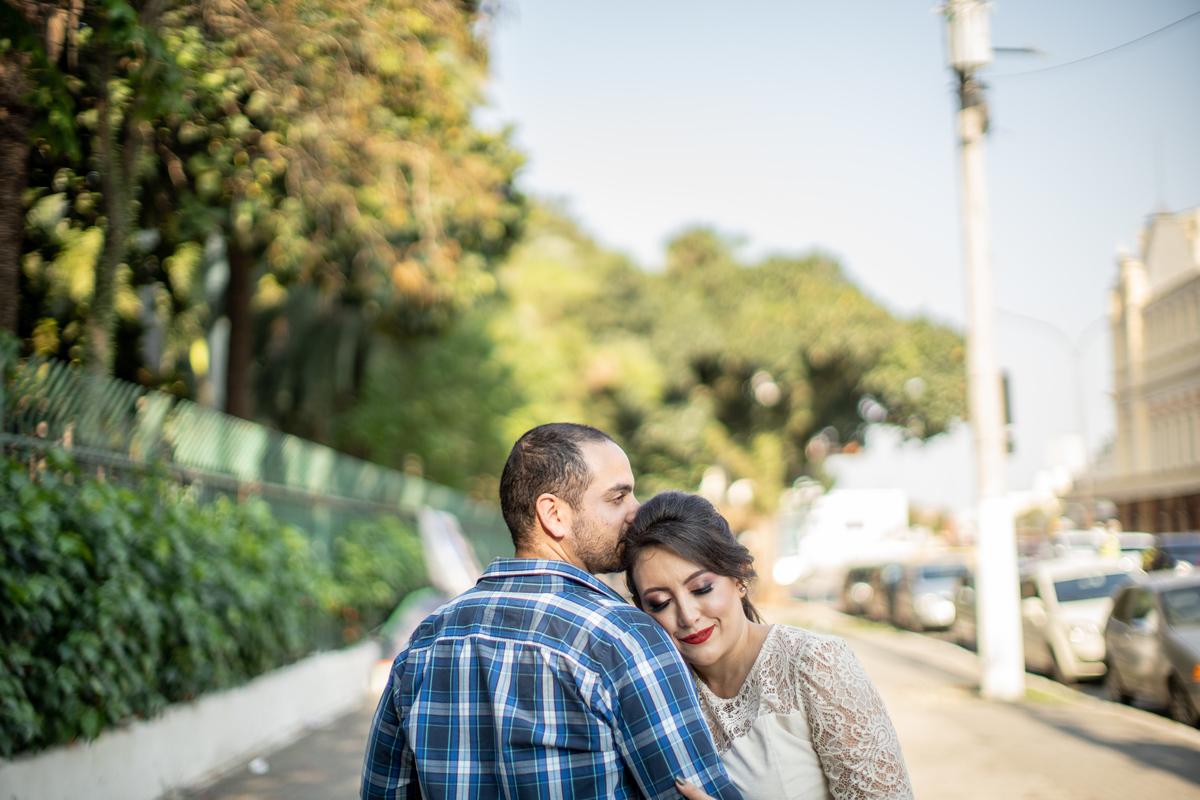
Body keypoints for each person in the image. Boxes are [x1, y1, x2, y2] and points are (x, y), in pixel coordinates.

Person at [362, 423, 744, 800]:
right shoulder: (622, 637)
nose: (636, 511)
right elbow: (696, 792)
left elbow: (382, 791)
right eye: (617, 497)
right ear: (554, 514)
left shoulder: (428, 640)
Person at [622, 491, 914, 800]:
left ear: (740, 576)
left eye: (702, 588)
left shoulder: (813, 663)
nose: (687, 616)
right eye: (660, 603)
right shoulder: (660, 693)